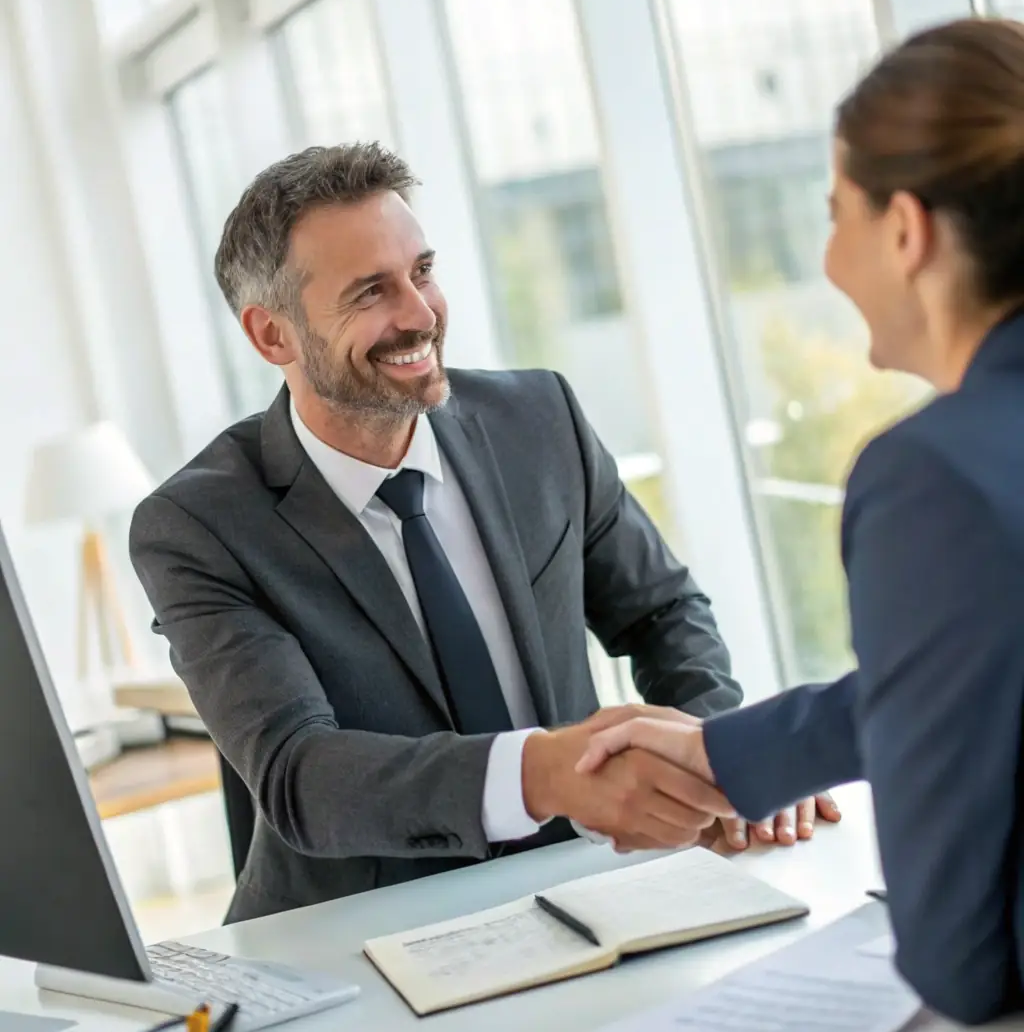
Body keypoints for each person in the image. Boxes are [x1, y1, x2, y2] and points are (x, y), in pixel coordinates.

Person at [130, 143, 836, 922]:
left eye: (422, 271)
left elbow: (661, 611)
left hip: (590, 885)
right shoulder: (196, 526)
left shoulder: (540, 419)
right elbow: (302, 772)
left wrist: (709, 761)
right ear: (272, 336)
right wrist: (547, 772)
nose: (420, 312)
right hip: (356, 931)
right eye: (372, 291)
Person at [577, 18, 1024, 1027]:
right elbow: (988, 654)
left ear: (905, 230)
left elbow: (960, 963)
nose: (826, 259)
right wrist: (736, 756)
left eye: (836, 216)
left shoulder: (930, 476)